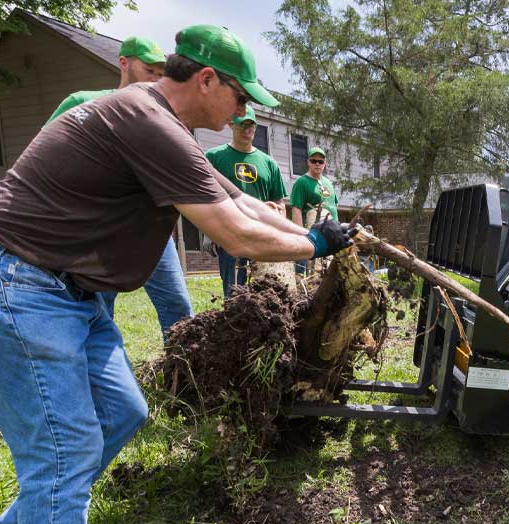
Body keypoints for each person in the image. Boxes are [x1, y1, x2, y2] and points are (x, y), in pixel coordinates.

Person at [0, 24, 352, 524]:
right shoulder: (145, 118)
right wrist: (316, 244)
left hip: (64, 291)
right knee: (65, 450)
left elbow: (243, 204)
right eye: (239, 96)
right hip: (9, 277)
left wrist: (325, 236)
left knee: (120, 412)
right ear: (206, 80)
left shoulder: (164, 126)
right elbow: (233, 235)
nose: (241, 111)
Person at [44, 36, 192, 339]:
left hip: (150, 227)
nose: (156, 78)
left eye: (160, 72)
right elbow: (44, 153)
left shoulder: (161, 117)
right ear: (123, 62)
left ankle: (185, 376)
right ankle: (103, 376)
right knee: (99, 308)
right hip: (101, 230)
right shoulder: (84, 101)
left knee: (177, 302)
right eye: (149, 70)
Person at [205, 105, 287, 297]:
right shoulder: (214, 157)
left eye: (250, 125)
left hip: (262, 234)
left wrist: (279, 223)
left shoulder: (269, 163)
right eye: (241, 125)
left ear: (256, 127)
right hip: (229, 234)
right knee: (234, 292)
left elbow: (280, 203)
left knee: (265, 291)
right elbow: (205, 196)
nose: (246, 130)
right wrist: (209, 234)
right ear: (231, 124)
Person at [290, 147, 339, 273]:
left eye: (320, 161)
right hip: (312, 233)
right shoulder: (302, 182)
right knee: (307, 270)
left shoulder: (328, 183)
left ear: (325, 163)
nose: (317, 164)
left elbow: (334, 206)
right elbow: (296, 209)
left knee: (327, 269)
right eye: (313, 161)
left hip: (331, 234)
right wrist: (301, 234)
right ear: (308, 162)